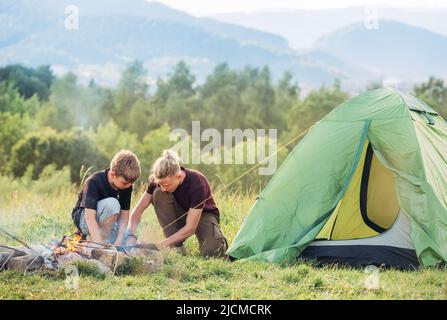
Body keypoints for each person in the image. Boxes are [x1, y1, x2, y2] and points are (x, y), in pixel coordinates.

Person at [128, 150, 228, 258]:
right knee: (157, 193)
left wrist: (159, 246)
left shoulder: (197, 182)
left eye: (167, 185)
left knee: (212, 253)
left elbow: (190, 228)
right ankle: (176, 247)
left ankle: (218, 238)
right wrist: (130, 236)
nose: (163, 188)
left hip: (203, 215)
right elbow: (138, 211)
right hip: (179, 213)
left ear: (179, 176)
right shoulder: (158, 181)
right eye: (160, 184)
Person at [71, 150, 141, 245]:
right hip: (85, 221)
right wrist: (98, 245)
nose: (128, 186)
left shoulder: (127, 186)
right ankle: (96, 240)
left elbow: (124, 214)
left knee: (127, 238)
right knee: (112, 204)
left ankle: (99, 239)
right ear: (113, 174)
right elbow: (89, 217)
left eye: (131, 183)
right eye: (125, 183)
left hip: (108, 222)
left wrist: (119, 240)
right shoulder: (94, 182)